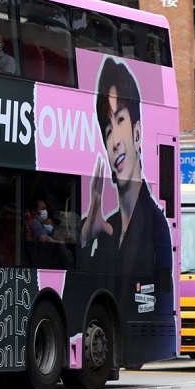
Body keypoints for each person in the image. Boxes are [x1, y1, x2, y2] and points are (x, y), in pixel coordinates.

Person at [80, 57, 172, 287]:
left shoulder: (156, 223)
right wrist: (86, 236)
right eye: (108, 131)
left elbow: (163, 295)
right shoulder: (106, 231)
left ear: (137, 134)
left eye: (120, 119)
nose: (115, 142)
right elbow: (76, 298)